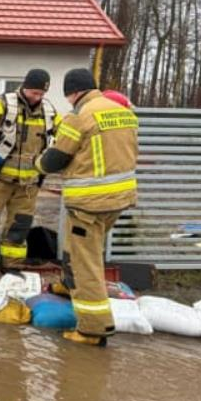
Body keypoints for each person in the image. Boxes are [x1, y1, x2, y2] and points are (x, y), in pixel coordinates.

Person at [35, 68, 138, 346]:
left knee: (86, 263)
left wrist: (37, 164)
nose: (69, 101)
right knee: (76, 247)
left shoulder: (79, 116)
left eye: (68, 96)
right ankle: (70, 286)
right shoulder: (123, 112)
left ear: (74, 92)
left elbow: (55, 159)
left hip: (89, 204)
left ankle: (94, 329)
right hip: (119, 198)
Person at [0, 69, 61, 271]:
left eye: (41, 94)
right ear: (25, 87)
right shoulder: (4, 103)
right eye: (34, 92)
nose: (37, 97)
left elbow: (66, 133)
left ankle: (11, 269)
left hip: (28, 185)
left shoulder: (49, 112)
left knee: (18, 230)